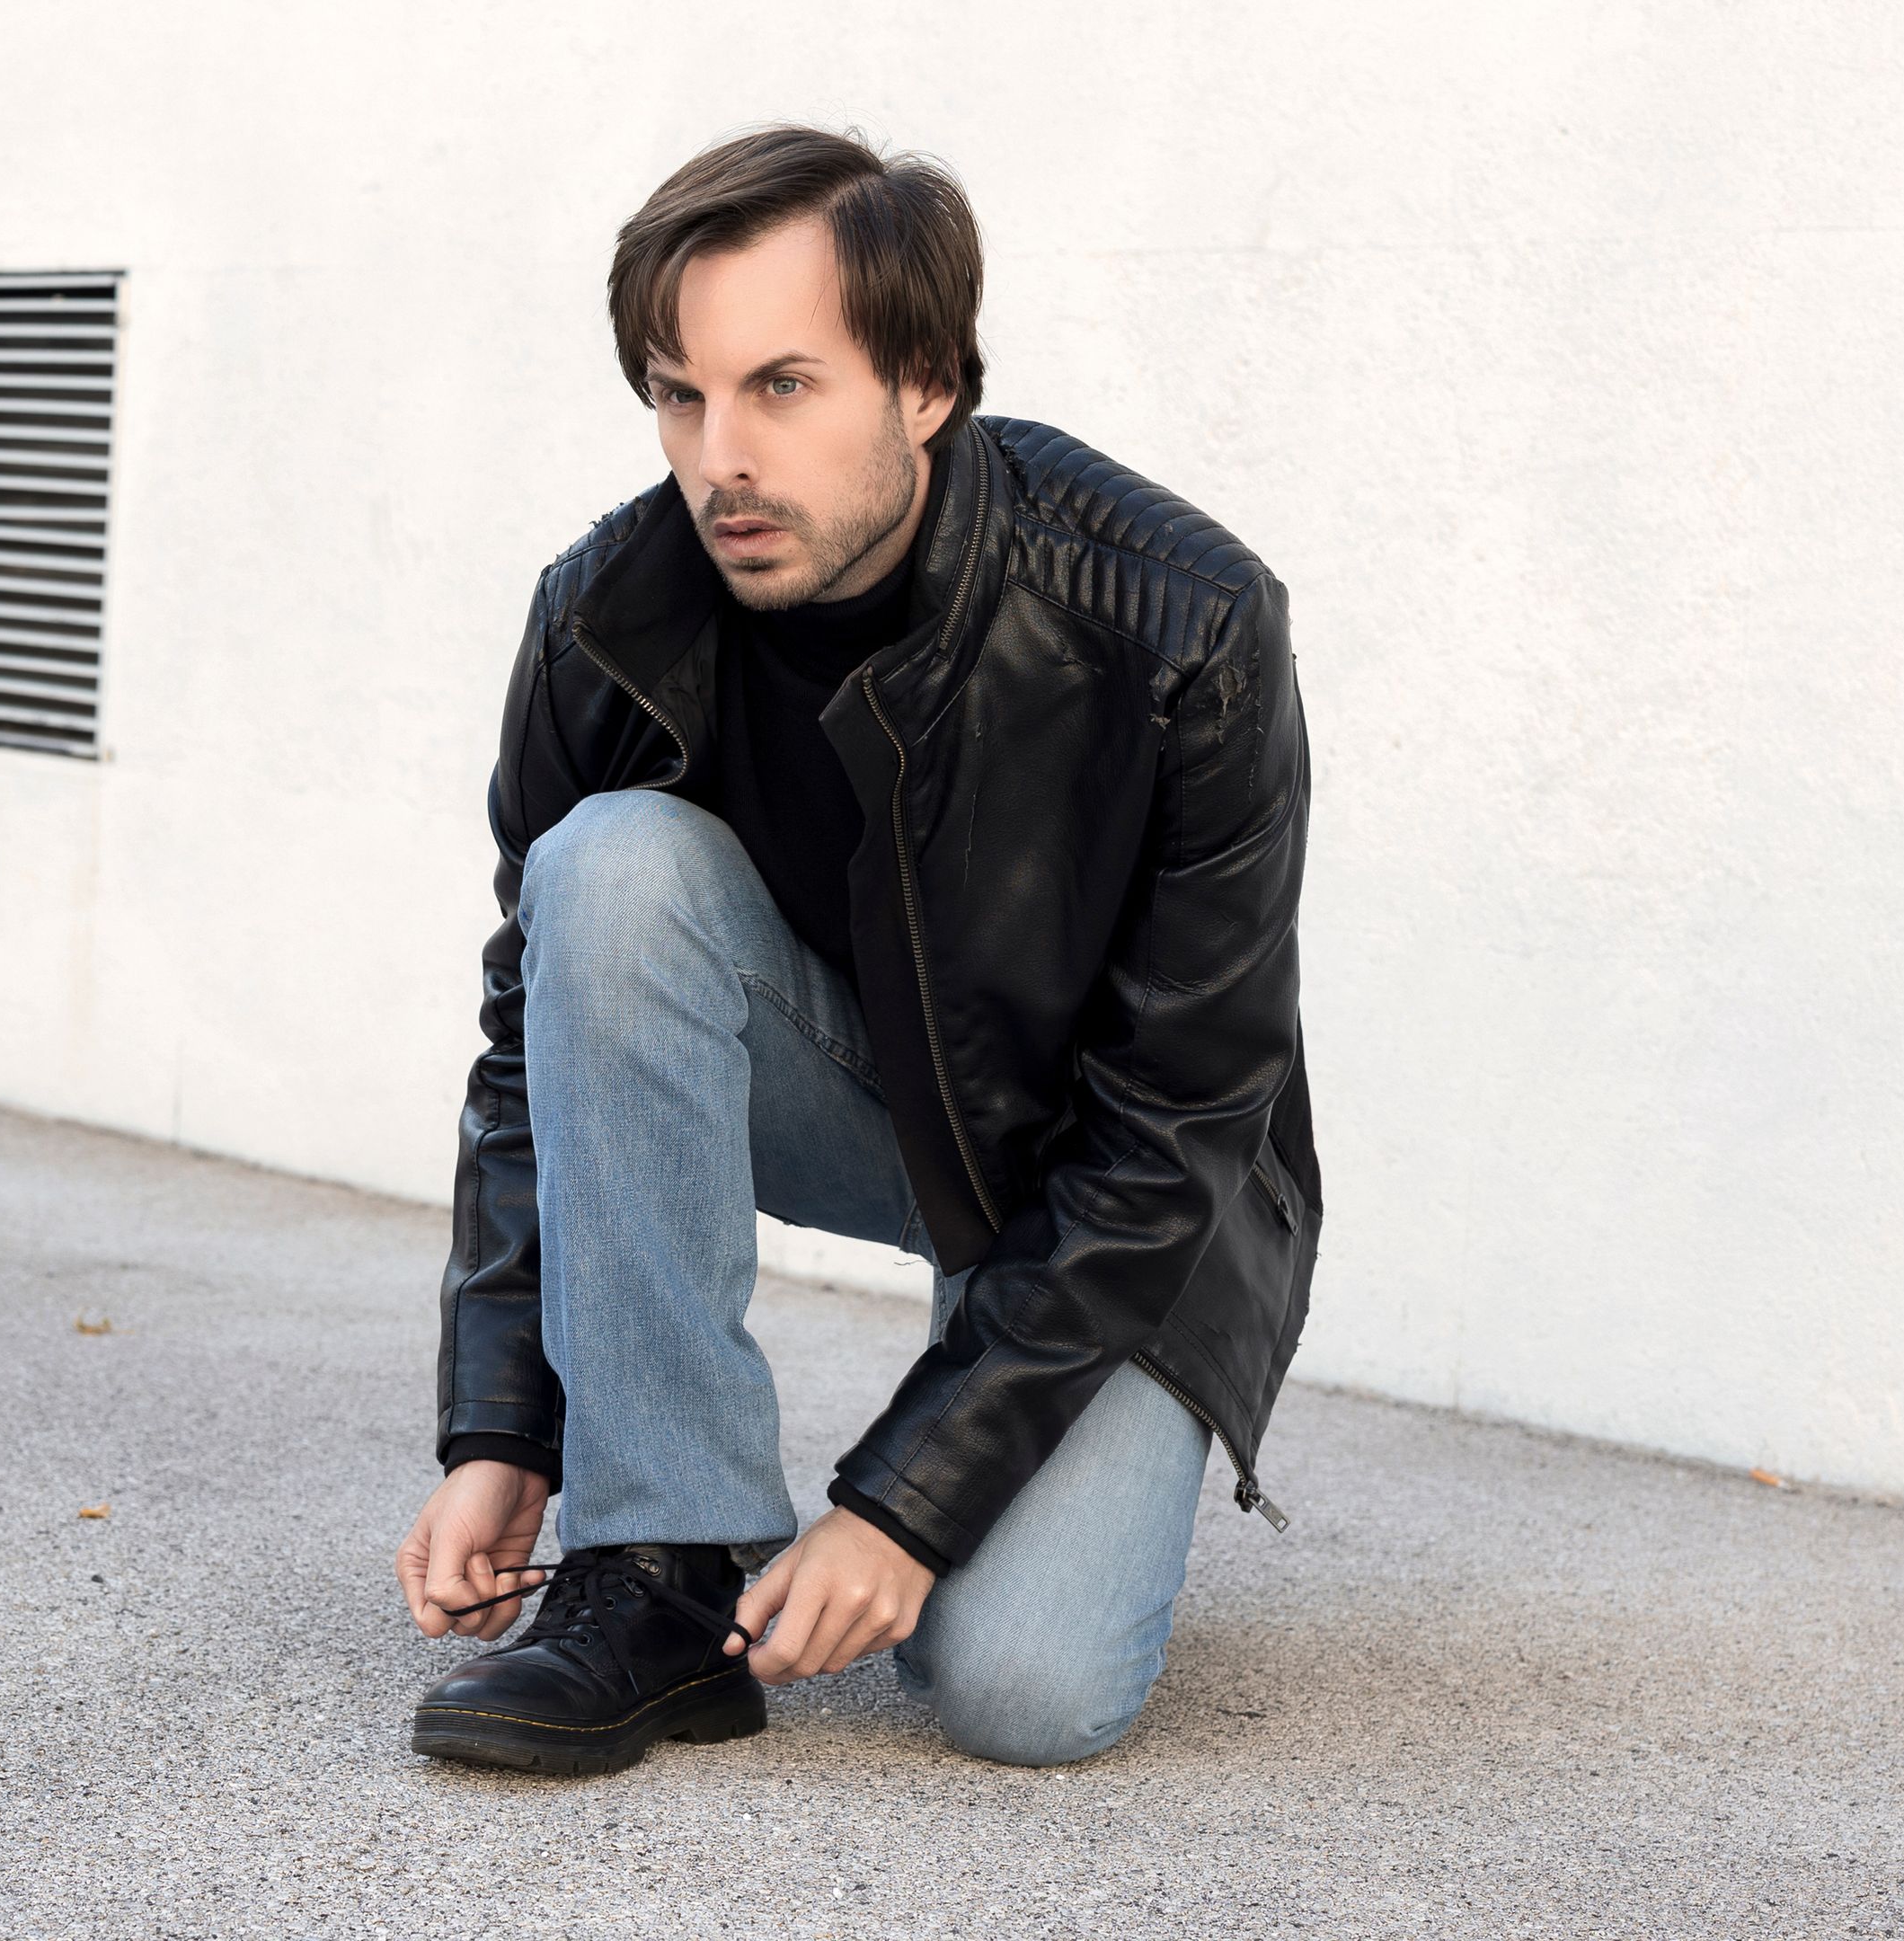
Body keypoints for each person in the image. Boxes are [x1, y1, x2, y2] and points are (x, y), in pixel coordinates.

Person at [394, 125, 1320, 1774]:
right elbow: (533, 1051)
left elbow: (1184, 1115)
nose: (721, 459)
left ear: (927, 381)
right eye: (679, 394)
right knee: (607, 870)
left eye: (782, 387)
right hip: (854, 1096)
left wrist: (903, 1505)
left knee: (1024, 1693)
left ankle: (1003, 1467)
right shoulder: (605, 621)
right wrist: (504, 1429)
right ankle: (659, 1568)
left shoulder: (1179, 622)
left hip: (1113, 1177)